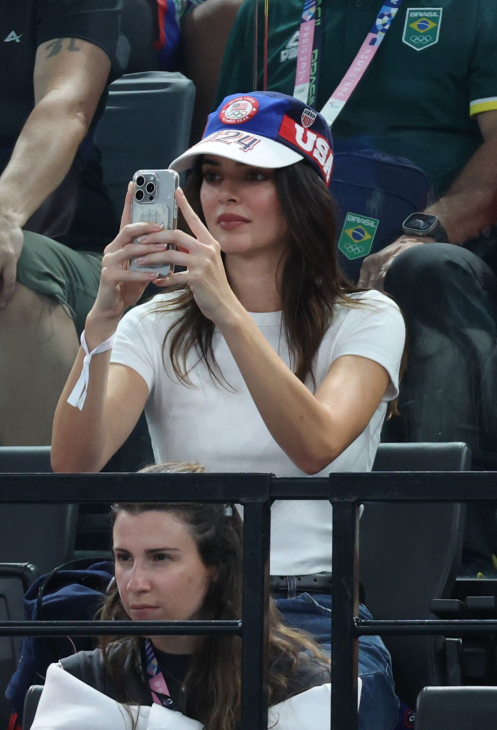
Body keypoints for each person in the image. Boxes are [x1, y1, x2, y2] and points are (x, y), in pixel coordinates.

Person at [52, 91, 405, 729]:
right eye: (213, 176)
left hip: (311, 606)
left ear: (303, 194)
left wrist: (226, 310)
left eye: (254, 178)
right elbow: (75, 461)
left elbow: (316, 444)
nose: (225, 195)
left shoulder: (367, 317)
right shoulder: (153, 322)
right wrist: (104, 317)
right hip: (179, 611)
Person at [214, 0, 497, 570]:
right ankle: (194, 542)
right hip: (292, 234)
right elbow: (225, 142)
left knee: (425, 270)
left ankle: (454, 554)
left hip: (442, 241)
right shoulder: (267, 12)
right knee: (179, 276)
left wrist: (428, 229)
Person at [32, 462, 334, 730]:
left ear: (215, 565)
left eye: (160, 558)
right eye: (124, 557)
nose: (136, 583)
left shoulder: (299, 686)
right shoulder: (83, 681)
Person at [0, 0, 128, 446]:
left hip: (68, 247)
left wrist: (3, 214)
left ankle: (37, 513)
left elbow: (67, 104)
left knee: (9, 271)